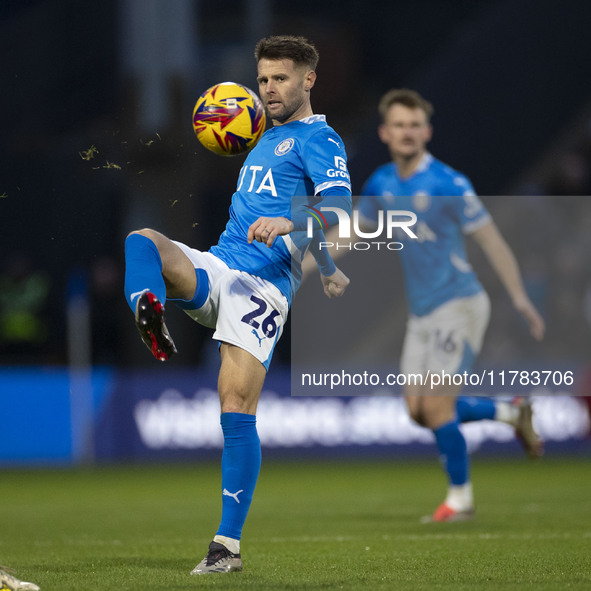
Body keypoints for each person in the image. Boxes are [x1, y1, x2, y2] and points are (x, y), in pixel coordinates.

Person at [123, 35, 352, 574]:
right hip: (221, 265)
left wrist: (295, 228)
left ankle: (226, 549)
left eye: (281, 78)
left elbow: (339, 209)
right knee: (143, 240)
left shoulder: (321, 138)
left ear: (308, 80)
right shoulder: (258, 135)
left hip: (264, 288)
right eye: (264, 79)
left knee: (235, 406)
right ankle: (147, 306)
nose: (269, 89)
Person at [310, 88, 545, 522]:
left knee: (437, 405)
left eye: (415, 125)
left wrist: (520, 299)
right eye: (399, 124)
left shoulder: (449, 183)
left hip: (460, 303)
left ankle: (461, 501)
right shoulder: (381, 182)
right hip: (422, 314)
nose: (407, 132)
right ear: (384, 132)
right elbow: (351, 233)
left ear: (427, 132)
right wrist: (307, 264)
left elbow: (491, 241)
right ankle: (511, 412)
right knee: (418, 411)